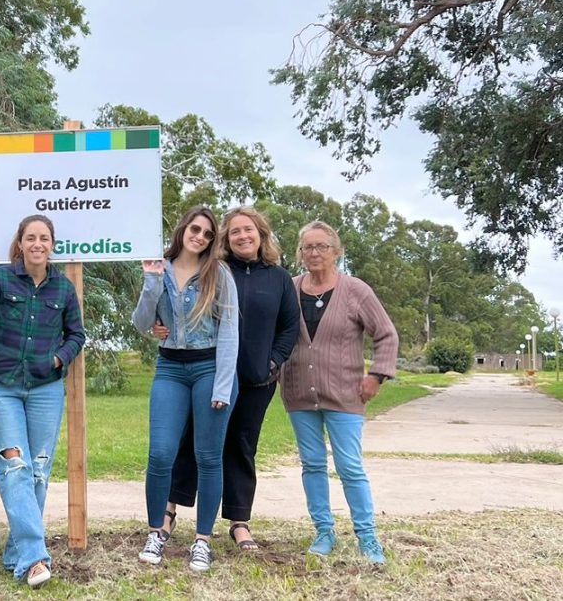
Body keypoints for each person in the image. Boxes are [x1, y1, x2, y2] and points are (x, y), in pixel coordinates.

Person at [161, 207, 300, 551]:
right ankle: (168, 510)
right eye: (234, 231)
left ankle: (239, 522)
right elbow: (181, 308)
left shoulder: (279, 278)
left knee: (241, 447)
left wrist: (273, 362)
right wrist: (160, 325)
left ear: (261, 234)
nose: (242, 236)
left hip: (255, 381)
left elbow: (289, 327)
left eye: (248, 230)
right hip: (208, 372)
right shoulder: (213, 270)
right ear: (226, 238)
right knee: (191, 443)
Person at [0, 215, 85, 588]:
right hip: (1, 385)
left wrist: (57, 359)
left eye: (44, 238)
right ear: (20, 243)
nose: (37, 244)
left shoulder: (63, 289)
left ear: (52, 245)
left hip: (45, 389)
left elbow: (76, 335)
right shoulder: (0, 280)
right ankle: (35, 558)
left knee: (37, 468)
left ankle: (16, 553)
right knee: (14, 465)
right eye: (30, 237)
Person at [282, 220, 397, 565]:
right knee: (312, 464)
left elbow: (386, 335)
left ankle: (367, 536)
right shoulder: (289, 289)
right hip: (299, 393)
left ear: (337, 251)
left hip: (346, 395)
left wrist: (376, 376)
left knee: (349, 466)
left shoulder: (356, 290)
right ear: (300, 254)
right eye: (307, 248)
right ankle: (324, 531)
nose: (314, 253)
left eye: (322, 247)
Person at [131, 205, 238, 573]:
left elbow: (229, 330)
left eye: (208, 234)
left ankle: (202, 541)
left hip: (210, 367)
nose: (201, 237)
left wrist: (222, 386)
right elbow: (142, 323)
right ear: (183, 229)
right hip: (170, 368)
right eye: (196, 229)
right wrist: (149, 281)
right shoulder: (158, 266)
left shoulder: (218, 273)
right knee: (160, 453)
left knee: (208, 457)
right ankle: (157, 532)